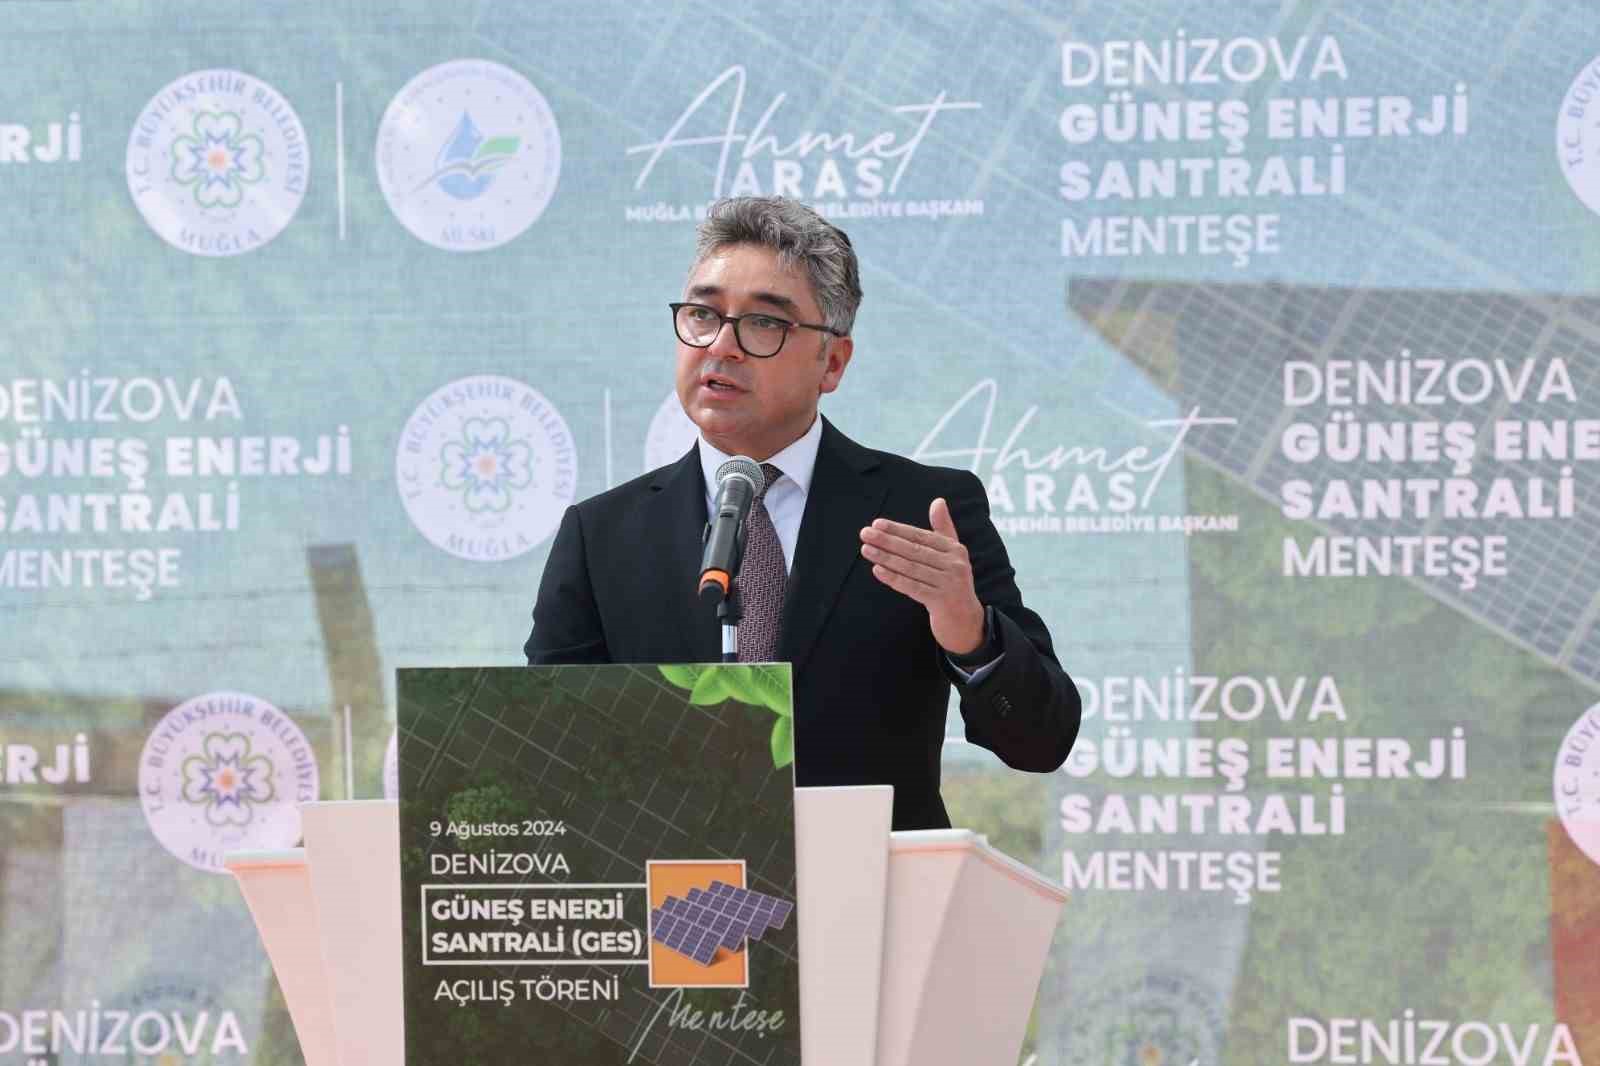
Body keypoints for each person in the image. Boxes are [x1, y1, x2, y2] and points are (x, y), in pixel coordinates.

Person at [525, 196, 1079, 830]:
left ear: (832, 362)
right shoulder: (601, 535)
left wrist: (972, 634)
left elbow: (1042, 741)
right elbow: (546, 748)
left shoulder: (923, 513)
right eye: (703, 314)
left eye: (764, 323)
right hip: (672, 883)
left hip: (873, 883)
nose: (722, 345)